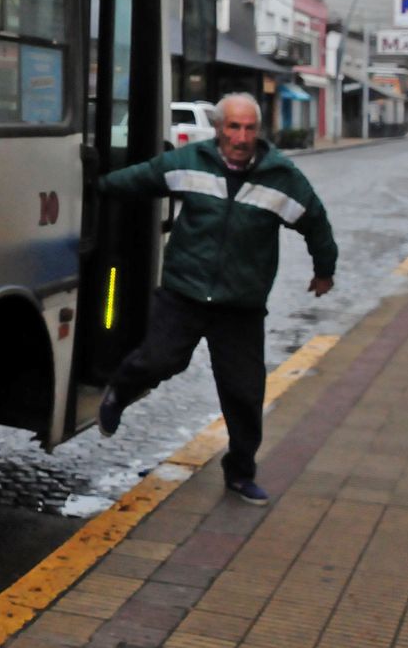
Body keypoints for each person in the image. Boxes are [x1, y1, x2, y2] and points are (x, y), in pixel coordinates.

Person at [95, 92, 336, 506]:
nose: (241, 137)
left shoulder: (281, 176)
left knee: (244, 393)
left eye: (249, 128)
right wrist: (93, 186)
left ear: (258, 131)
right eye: (233, 127)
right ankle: (119, 391)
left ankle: (241, 472)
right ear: (219, 129)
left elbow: (315, 220)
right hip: (184, 293)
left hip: (240, 307)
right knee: (159, 360)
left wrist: (324, 269)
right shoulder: (190, 161)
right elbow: (140, 178)